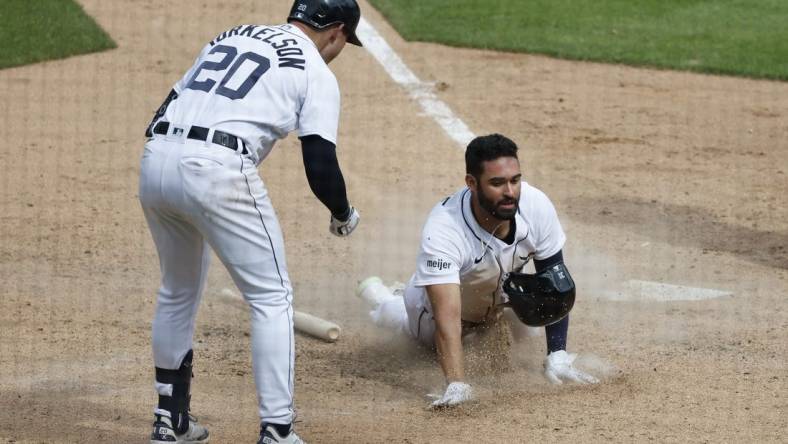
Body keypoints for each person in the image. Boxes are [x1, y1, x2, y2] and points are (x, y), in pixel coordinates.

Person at [138, 1, 363, 442]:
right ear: (335, 31)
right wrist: (343, 213)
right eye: (343, 43)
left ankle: (170, 422)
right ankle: (278, 431)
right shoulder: (316, 70)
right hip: (217, 170)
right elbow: (320, 164)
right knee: (271, 297)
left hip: (156, 160)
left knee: (178, 289)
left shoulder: (232, 34)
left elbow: (168, 104)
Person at [359, 134, 598, 409]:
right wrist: (456, 382)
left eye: (515, 180)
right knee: (407, 326)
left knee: (529, 329)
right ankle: (382, 297)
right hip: (439, 311)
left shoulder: (535, 205)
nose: (510, 192)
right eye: (497, 183)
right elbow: (446, 320)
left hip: (496, 304)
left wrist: (558, 353)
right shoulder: (444, 230)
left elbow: (555, 283)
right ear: (471, 183)